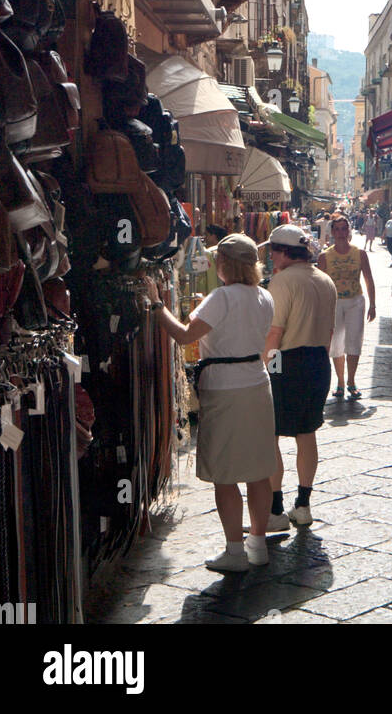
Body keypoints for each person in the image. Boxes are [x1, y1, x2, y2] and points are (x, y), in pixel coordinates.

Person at [144, 235, 276, 572]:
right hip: (258, 383)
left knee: (225, 473)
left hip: (225, 388)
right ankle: (257, 545)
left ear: (225, 264)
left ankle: (234, 551)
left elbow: (185, 335)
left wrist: (158, 305)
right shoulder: (264, 296)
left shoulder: (221, 297)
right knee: (259, 470)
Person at [263, 224, 337, 529]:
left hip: (286, 361)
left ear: (282, 251)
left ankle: (275, 509)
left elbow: (274, 333)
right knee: (307, 434)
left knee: (271, 436)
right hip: (319, 361)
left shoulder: (282, 282)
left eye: (272, 250)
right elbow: (330, 331)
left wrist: (268, 369)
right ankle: (303, 505)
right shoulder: (325, 280)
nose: (270, 257)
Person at [317, 213, 376, 400]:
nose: (341, 232)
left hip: (355, 301)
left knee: (354, 340)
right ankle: (340, 382)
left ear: (348, 231)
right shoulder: (324, 256)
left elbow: (368, 279)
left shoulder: (360, 253)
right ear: (332, 232)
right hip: (334, 303)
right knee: (336, 343)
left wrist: (373, 304)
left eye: (344, 228)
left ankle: (351, 380)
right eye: (337, 229)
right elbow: (320, 284)